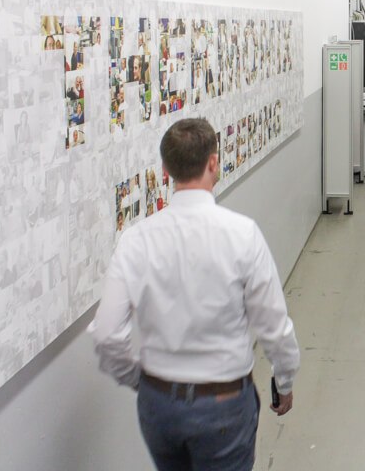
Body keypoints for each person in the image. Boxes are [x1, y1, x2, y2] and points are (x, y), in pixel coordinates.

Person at [89, 118, 299, 471]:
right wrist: (285, 379)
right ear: (213, 163)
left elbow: (108, 334)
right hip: (224, 405)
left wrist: (141, 380)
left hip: (159, 405)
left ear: (166, 169)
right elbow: (274, 326)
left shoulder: (136, 240)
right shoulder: (242, 234)